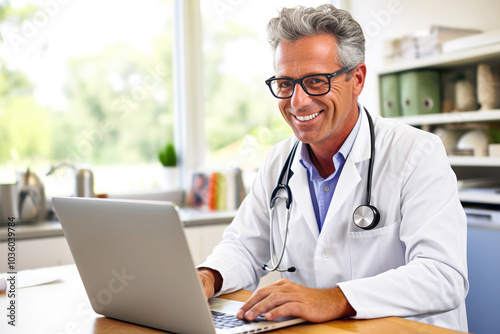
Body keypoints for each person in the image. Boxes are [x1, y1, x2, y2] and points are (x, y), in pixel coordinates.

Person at [197, 4, 468, 332]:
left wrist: (335, 298)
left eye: (315, 81)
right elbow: (243, 246)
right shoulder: (278, 162)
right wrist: (209, 276)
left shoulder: (416, 153)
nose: (297, 101)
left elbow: (443, 276)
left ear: (357, 79)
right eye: (285, 84)